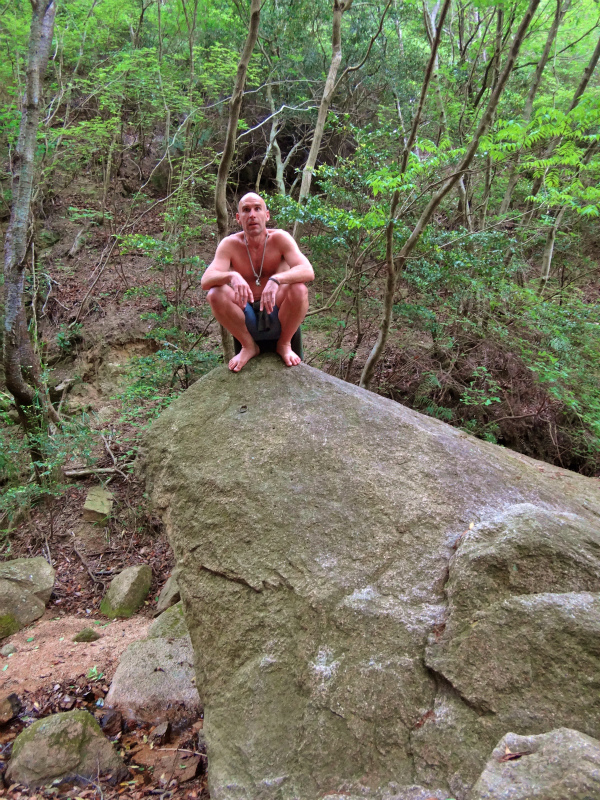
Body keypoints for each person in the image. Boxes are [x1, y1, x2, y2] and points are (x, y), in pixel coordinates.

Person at [201, 192, 314, 372]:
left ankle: (284, 344)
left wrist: (277, 279)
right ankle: (248, 346)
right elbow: (206, 280)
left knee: (299, 289)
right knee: (215, 294)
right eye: (246, 210)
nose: (252, 214)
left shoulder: (280, 239)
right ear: (239, 218)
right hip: (246, 317)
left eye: (257, 209)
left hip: (278, 313)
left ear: (266, 215)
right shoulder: (230, 244)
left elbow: (308, 271)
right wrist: (232, 276)